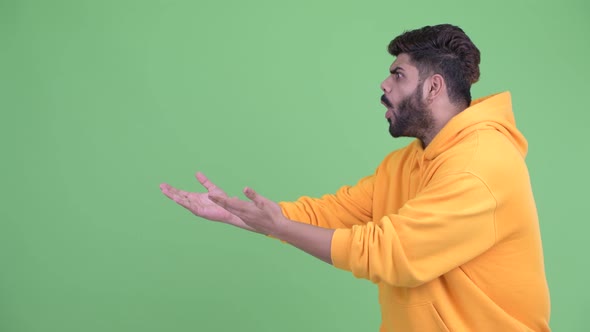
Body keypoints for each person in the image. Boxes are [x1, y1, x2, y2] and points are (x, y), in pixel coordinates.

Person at [160, 24, 551, 331]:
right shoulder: (406, 164)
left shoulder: (481, 165)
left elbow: (394, 254)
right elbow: (338, 212)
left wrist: (279, 227)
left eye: (398, 75)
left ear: (433, 87)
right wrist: (244, 215)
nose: (384, 85)